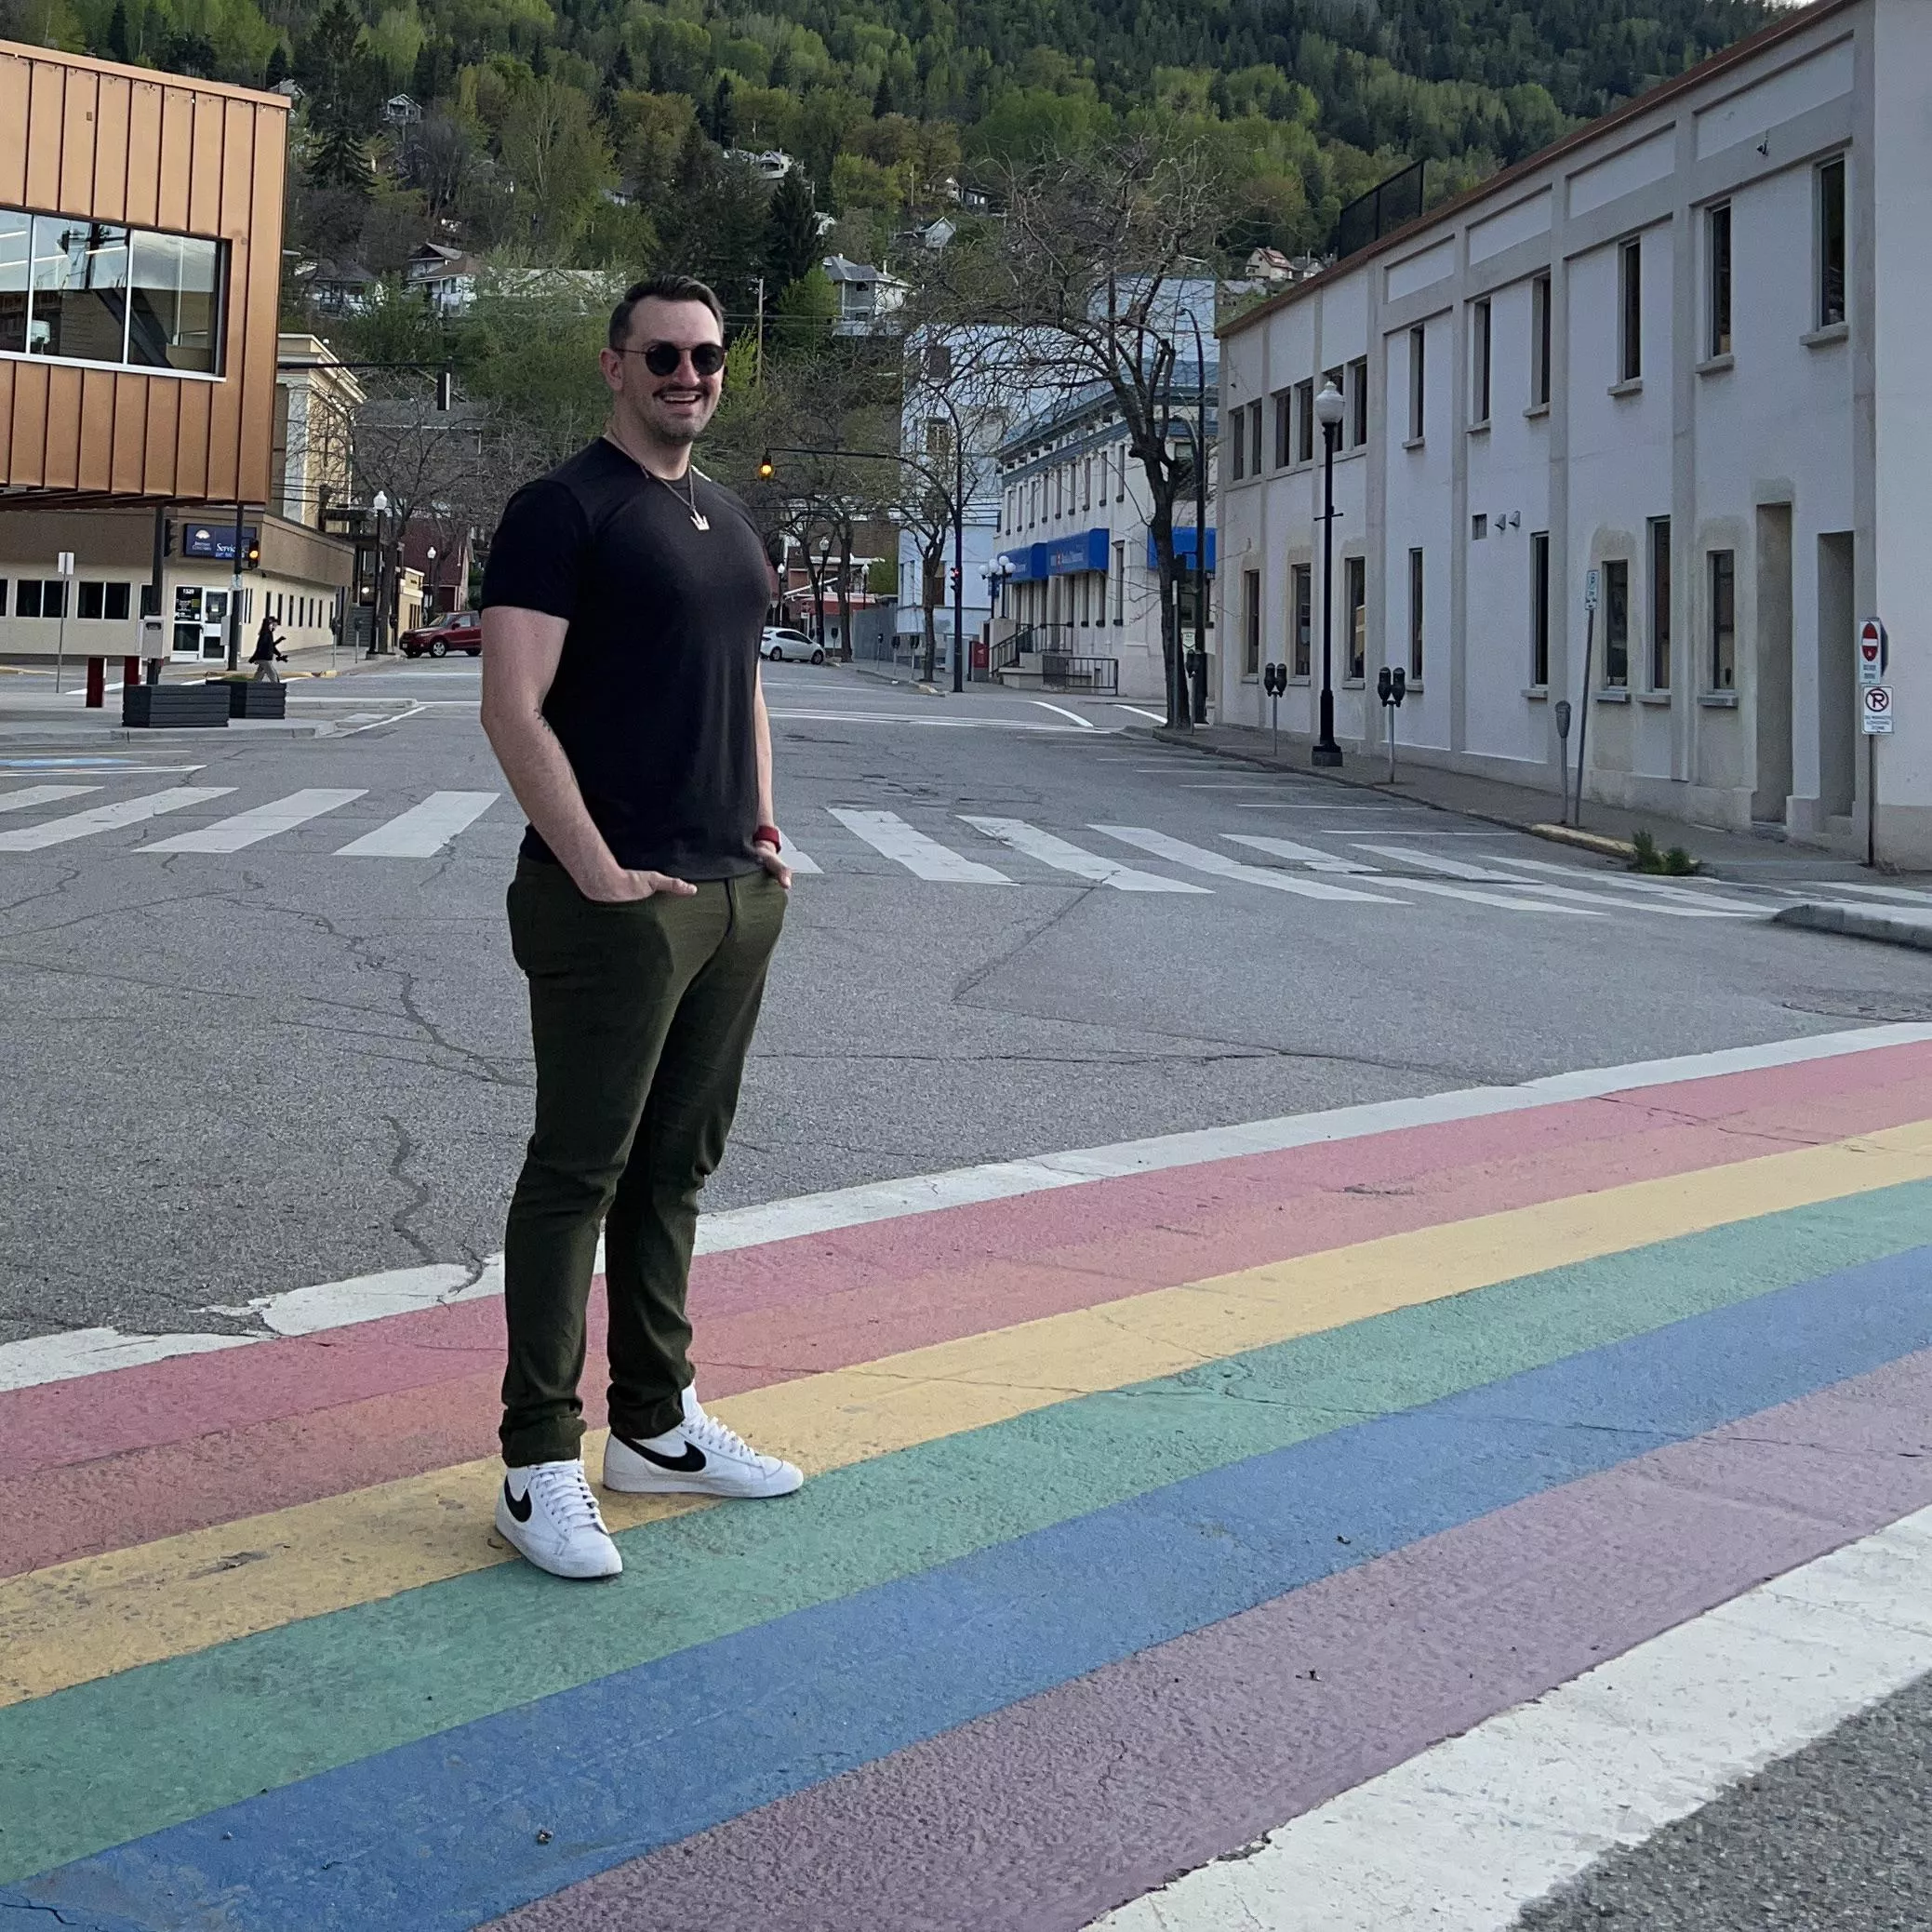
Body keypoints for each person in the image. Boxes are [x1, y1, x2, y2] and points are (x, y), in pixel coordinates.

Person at [478, 273, 800, 1581]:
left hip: (732, 896)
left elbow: (746, 686)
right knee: (578, 1173)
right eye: (661, 354)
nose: (688, 375)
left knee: (675, 1171)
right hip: (617, 904)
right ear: (613, 365)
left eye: (707, 355)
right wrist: (600, 872)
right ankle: (534, 1462)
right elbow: (513, 704)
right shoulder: (562, 511)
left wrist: (768, 839)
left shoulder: (725, 515)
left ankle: (653, 1425)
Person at [249, 614, 286, 682]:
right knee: (272, 674)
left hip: (265, 658)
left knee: (259, 673)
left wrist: (279, 654)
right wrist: (255, 657)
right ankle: (277, 687)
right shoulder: (266, 634)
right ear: (270, 625)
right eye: (274, 625)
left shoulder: (268, 633)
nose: (275, 627)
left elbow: (271, 646)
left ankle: (254, 685)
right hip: (264, 658)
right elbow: (260, 646)